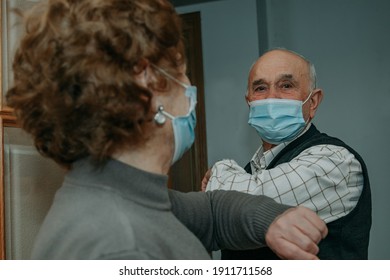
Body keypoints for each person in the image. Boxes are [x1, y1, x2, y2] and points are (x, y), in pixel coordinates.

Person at [5, 0, 327, 260]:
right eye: (180, 72)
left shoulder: (126, 193)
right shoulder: (120, 246)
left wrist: (270, 218)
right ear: (147, 85)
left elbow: (212, 211)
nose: (189, 86)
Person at [203, 48, 371, 260]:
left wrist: (219, 170)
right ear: (249, 103)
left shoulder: (336, 161)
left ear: (313, 102)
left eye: (286, 86)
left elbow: (245, 205)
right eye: (261, 88)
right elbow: (213, 227)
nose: (271, 98)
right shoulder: (249, 172)